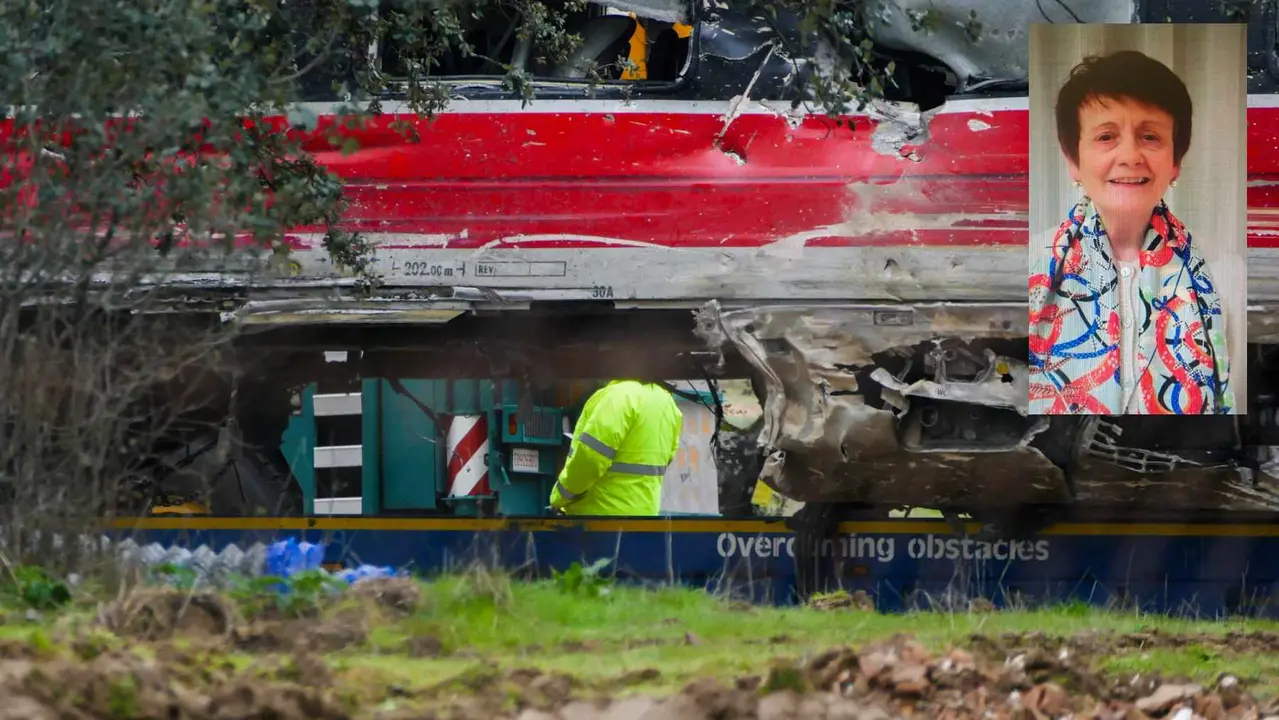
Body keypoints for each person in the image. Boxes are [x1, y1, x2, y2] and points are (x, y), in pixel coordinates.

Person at [1028, 50, 1233, 415]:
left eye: (1150, 137)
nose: (1129, 155)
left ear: (1176, 162)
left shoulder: (1227, 275)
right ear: (1073, 160)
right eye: (1106, 136)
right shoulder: (1027, 264)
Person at [548, 379, 683, 516]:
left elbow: (590, 459)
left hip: (601, 518)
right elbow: (667, 458)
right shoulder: (667, 403)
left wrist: (559, 497)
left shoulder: (617, 397)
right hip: (646, 518)